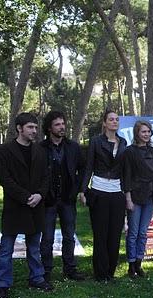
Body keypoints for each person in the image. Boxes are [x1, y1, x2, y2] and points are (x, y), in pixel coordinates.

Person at [0, 113, 52, 298]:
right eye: (30, 127)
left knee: (34, 247)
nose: (34, 131)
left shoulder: (40, 151)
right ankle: (2, 284)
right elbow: (5, 179)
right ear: (19, 128)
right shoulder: (4, 150)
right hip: (15, 206)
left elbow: (46, 177)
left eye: (35, 127)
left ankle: (36, 278)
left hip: (36, 206)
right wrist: (26, 196)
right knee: (6, 248)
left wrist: (39, 195)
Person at [79, 109, 127, 281]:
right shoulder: (96, 142)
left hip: (117, 193)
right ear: (104, 123)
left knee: (114, 235)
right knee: (100, 235)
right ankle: (100, 274)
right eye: (111, 119)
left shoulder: (123, 142)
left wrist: (127, 195)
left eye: (117, 119)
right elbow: (89, 167)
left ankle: (110, 272)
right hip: (99, 191)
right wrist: (83, 190)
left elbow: (124, 171)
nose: (115, 122)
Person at [39, 111, 85, 282]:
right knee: (48, 238)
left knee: (69, 236)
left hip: (67, 198)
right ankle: (46, 271)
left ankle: (70, 269)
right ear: (49, 128)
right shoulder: (41, 148)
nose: (62, 127)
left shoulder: (73, 147)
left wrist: (78, 189)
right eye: (57, 124)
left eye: (63, 123)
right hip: (48, 200)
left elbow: (83, 169)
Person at [122, 120, 153, 278]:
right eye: (143, 131)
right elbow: (126, 175)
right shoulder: (129, 151)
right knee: (133, 232)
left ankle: (139, 264)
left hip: (150, 196)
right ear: (137, 133)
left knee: (143, 233)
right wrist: (128, 197)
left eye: (148, 131)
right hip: (134, 195)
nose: (146, 134)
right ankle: (131, 264)